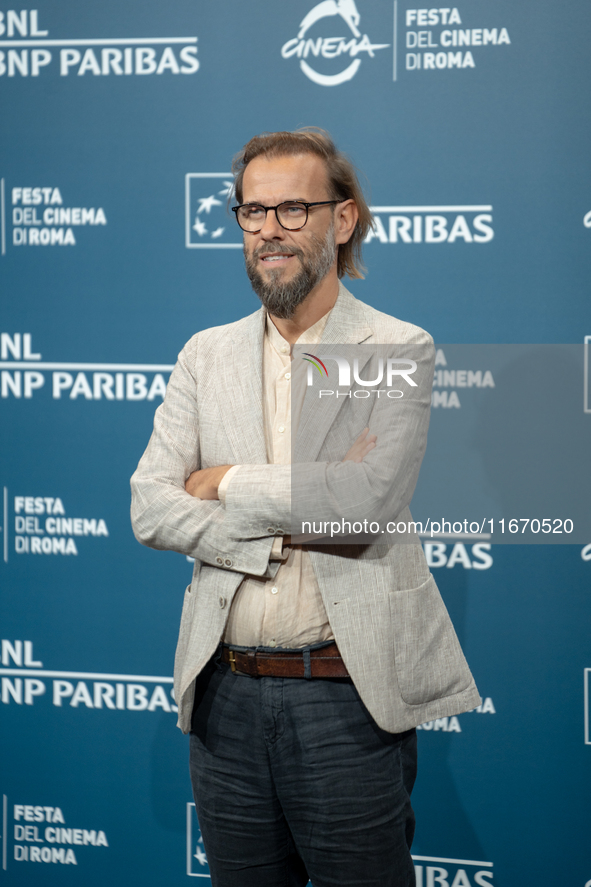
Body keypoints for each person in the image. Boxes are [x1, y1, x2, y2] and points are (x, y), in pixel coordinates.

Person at [130, 128, 480, 887]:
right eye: (251, 212)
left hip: (344, 701)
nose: (268, 231)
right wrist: (273, 538)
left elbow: (363, 501)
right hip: (222, 697)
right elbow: (150, 507)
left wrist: (222, 481)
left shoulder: (393, 346)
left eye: (293, 208)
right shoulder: (205, 354)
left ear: (343, 219)